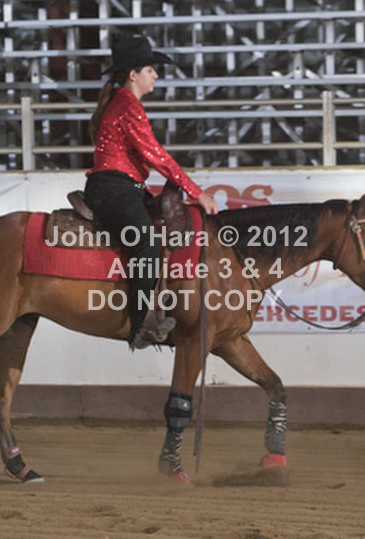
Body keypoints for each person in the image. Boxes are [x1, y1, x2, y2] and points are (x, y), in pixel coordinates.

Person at [84, 35, 219, 350]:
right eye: (150, 70)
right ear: (133, 75)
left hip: (123, 187)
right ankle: (141, 323)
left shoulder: (123, 103)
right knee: (146, 239)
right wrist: (196, 192)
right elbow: (156, 155)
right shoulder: (127, 106)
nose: (155, 75)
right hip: (113, 187)